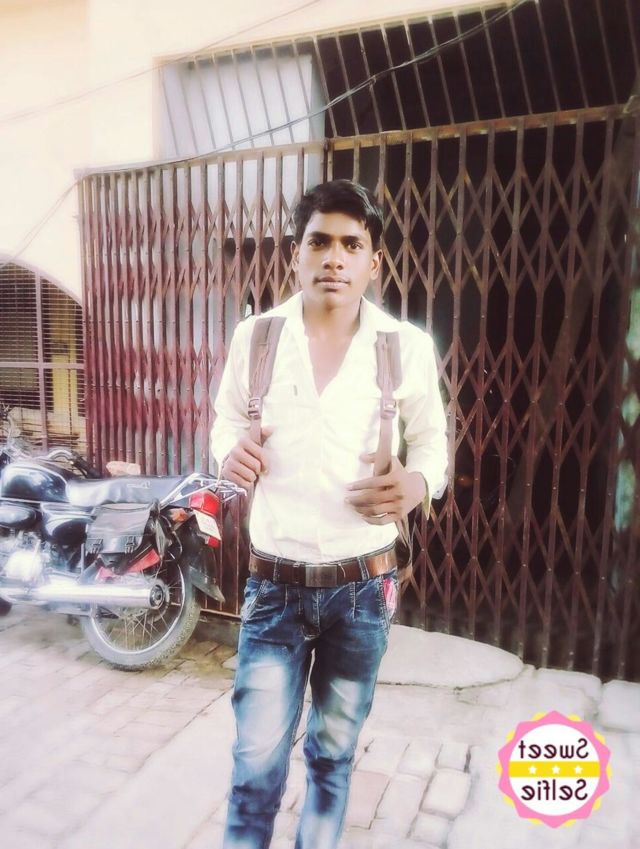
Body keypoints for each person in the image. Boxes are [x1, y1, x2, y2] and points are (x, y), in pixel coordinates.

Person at [210, 179, 448, 849]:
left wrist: (417, 482)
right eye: (319, 242)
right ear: (296, 252)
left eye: (352, 244)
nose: (334, 259)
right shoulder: (257, 337)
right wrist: (229, 451)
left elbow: (433, 444)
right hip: (274, 587)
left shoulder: (404, 346)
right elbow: (224, 421)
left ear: (374, 261)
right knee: (255, 767)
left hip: (362, 589)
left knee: (332, 757)